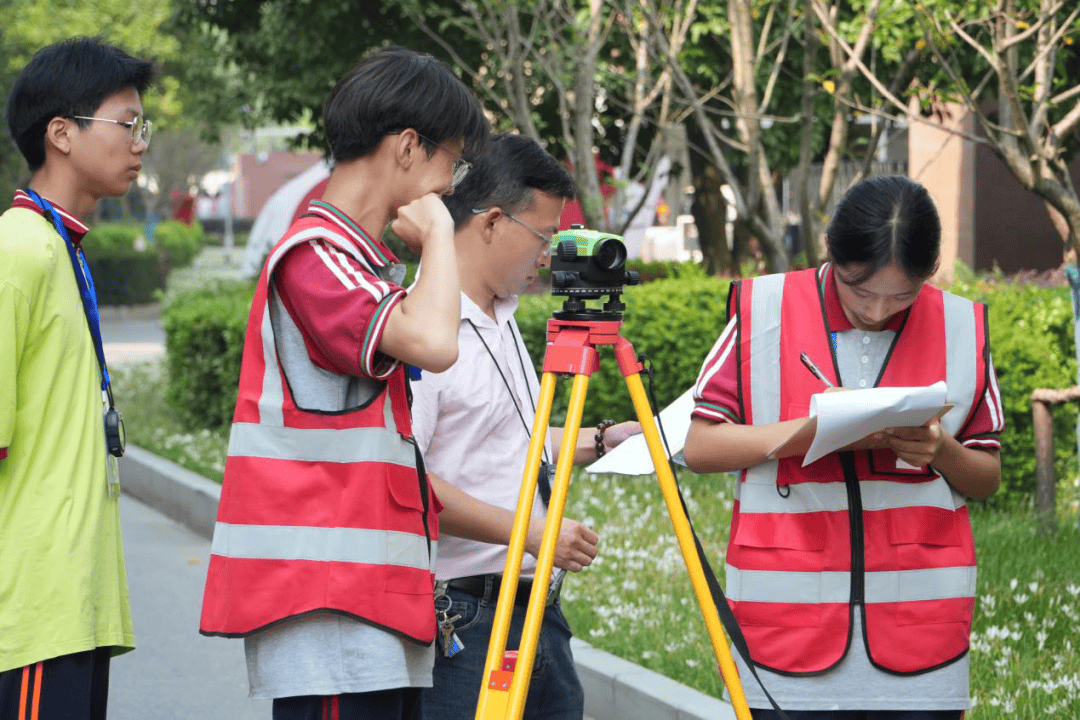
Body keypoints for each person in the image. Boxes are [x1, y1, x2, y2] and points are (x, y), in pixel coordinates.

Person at [198, 46, 489, 720]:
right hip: (328, 608)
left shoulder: (355, 259)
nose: (451, 186)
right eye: (453, 161)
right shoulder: (314, 256)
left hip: (362, 603)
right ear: (409, 147)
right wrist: (441, 239)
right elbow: (436, 344)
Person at [683, 175, 1004, 720]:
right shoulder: (764, 309)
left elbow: (986, 476)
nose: (878, 310)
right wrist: (807, 433)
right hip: (786, 630)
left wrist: (940, 450)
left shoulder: (959, 325)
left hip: (922, 636)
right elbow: (699, 446)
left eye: (902, 295)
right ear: (831, 251)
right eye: (860, 290)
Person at [410, 133, 640, 720]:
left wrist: (602, 438)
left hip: (537, 612)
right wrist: (534, 536)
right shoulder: (422, 329)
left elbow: (515, 440)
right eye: (543, 236)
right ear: (491, 222)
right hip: (464, 620)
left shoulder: (502, 318)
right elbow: (409, 481)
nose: (549, 255)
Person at [0, 37, 154, 719]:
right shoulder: (18, 250)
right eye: (127, 124)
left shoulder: (63, 249)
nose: (140, 144)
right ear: (61, 133)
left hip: (71, 600)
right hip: (30, 602)